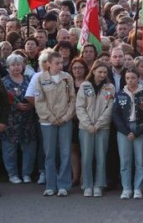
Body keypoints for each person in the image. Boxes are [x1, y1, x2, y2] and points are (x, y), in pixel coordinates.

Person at [34, 51, 76, 196]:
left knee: (65, 153)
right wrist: (51, 118)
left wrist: (66, 117)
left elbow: (72, 100)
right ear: (49, 64)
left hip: (65, 120)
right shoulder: (41, 78)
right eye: (57, 63)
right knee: (49, 153)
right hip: (47, 122)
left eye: (62, 62)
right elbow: (39, 101)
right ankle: (50, 185)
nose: (60, 65)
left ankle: (64, 185)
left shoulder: (67, 78)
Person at [76, 60, 115, 197]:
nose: (102, 74)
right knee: (86, 157)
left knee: (101, 156)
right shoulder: (85, 86)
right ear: (93, 71)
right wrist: (88, 124)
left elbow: (109, 108)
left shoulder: (110, 87)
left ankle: (99, 184)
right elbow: (79, 107)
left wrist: (98, 124)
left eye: (105, 72)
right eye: (100, 72)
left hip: (102, 127)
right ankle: (87, 184)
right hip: (85, 128)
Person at [1, 54, 37, 184]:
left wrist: (31, 104)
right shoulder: (4, 82)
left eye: (18, 64)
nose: (16, 67)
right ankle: (12, 174)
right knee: (9, 149)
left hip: (28, 120)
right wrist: (16, 105)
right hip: (11, 121)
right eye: (13, 65)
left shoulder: (30, 79)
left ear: (23, 66)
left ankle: (27, 173)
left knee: (29, 148)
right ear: (8, 67)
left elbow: (36, 95)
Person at [112, 69, 143, 199]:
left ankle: (138, 188)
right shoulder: (120, 94)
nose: (130, 80)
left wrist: (137, 132)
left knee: (140, 160)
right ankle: (126, 188)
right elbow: (115, 114)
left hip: (139, 129)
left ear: (138, 78)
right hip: (124, 130)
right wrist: (126, 131)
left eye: (133, 78)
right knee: (125, 161)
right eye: (127, 78)